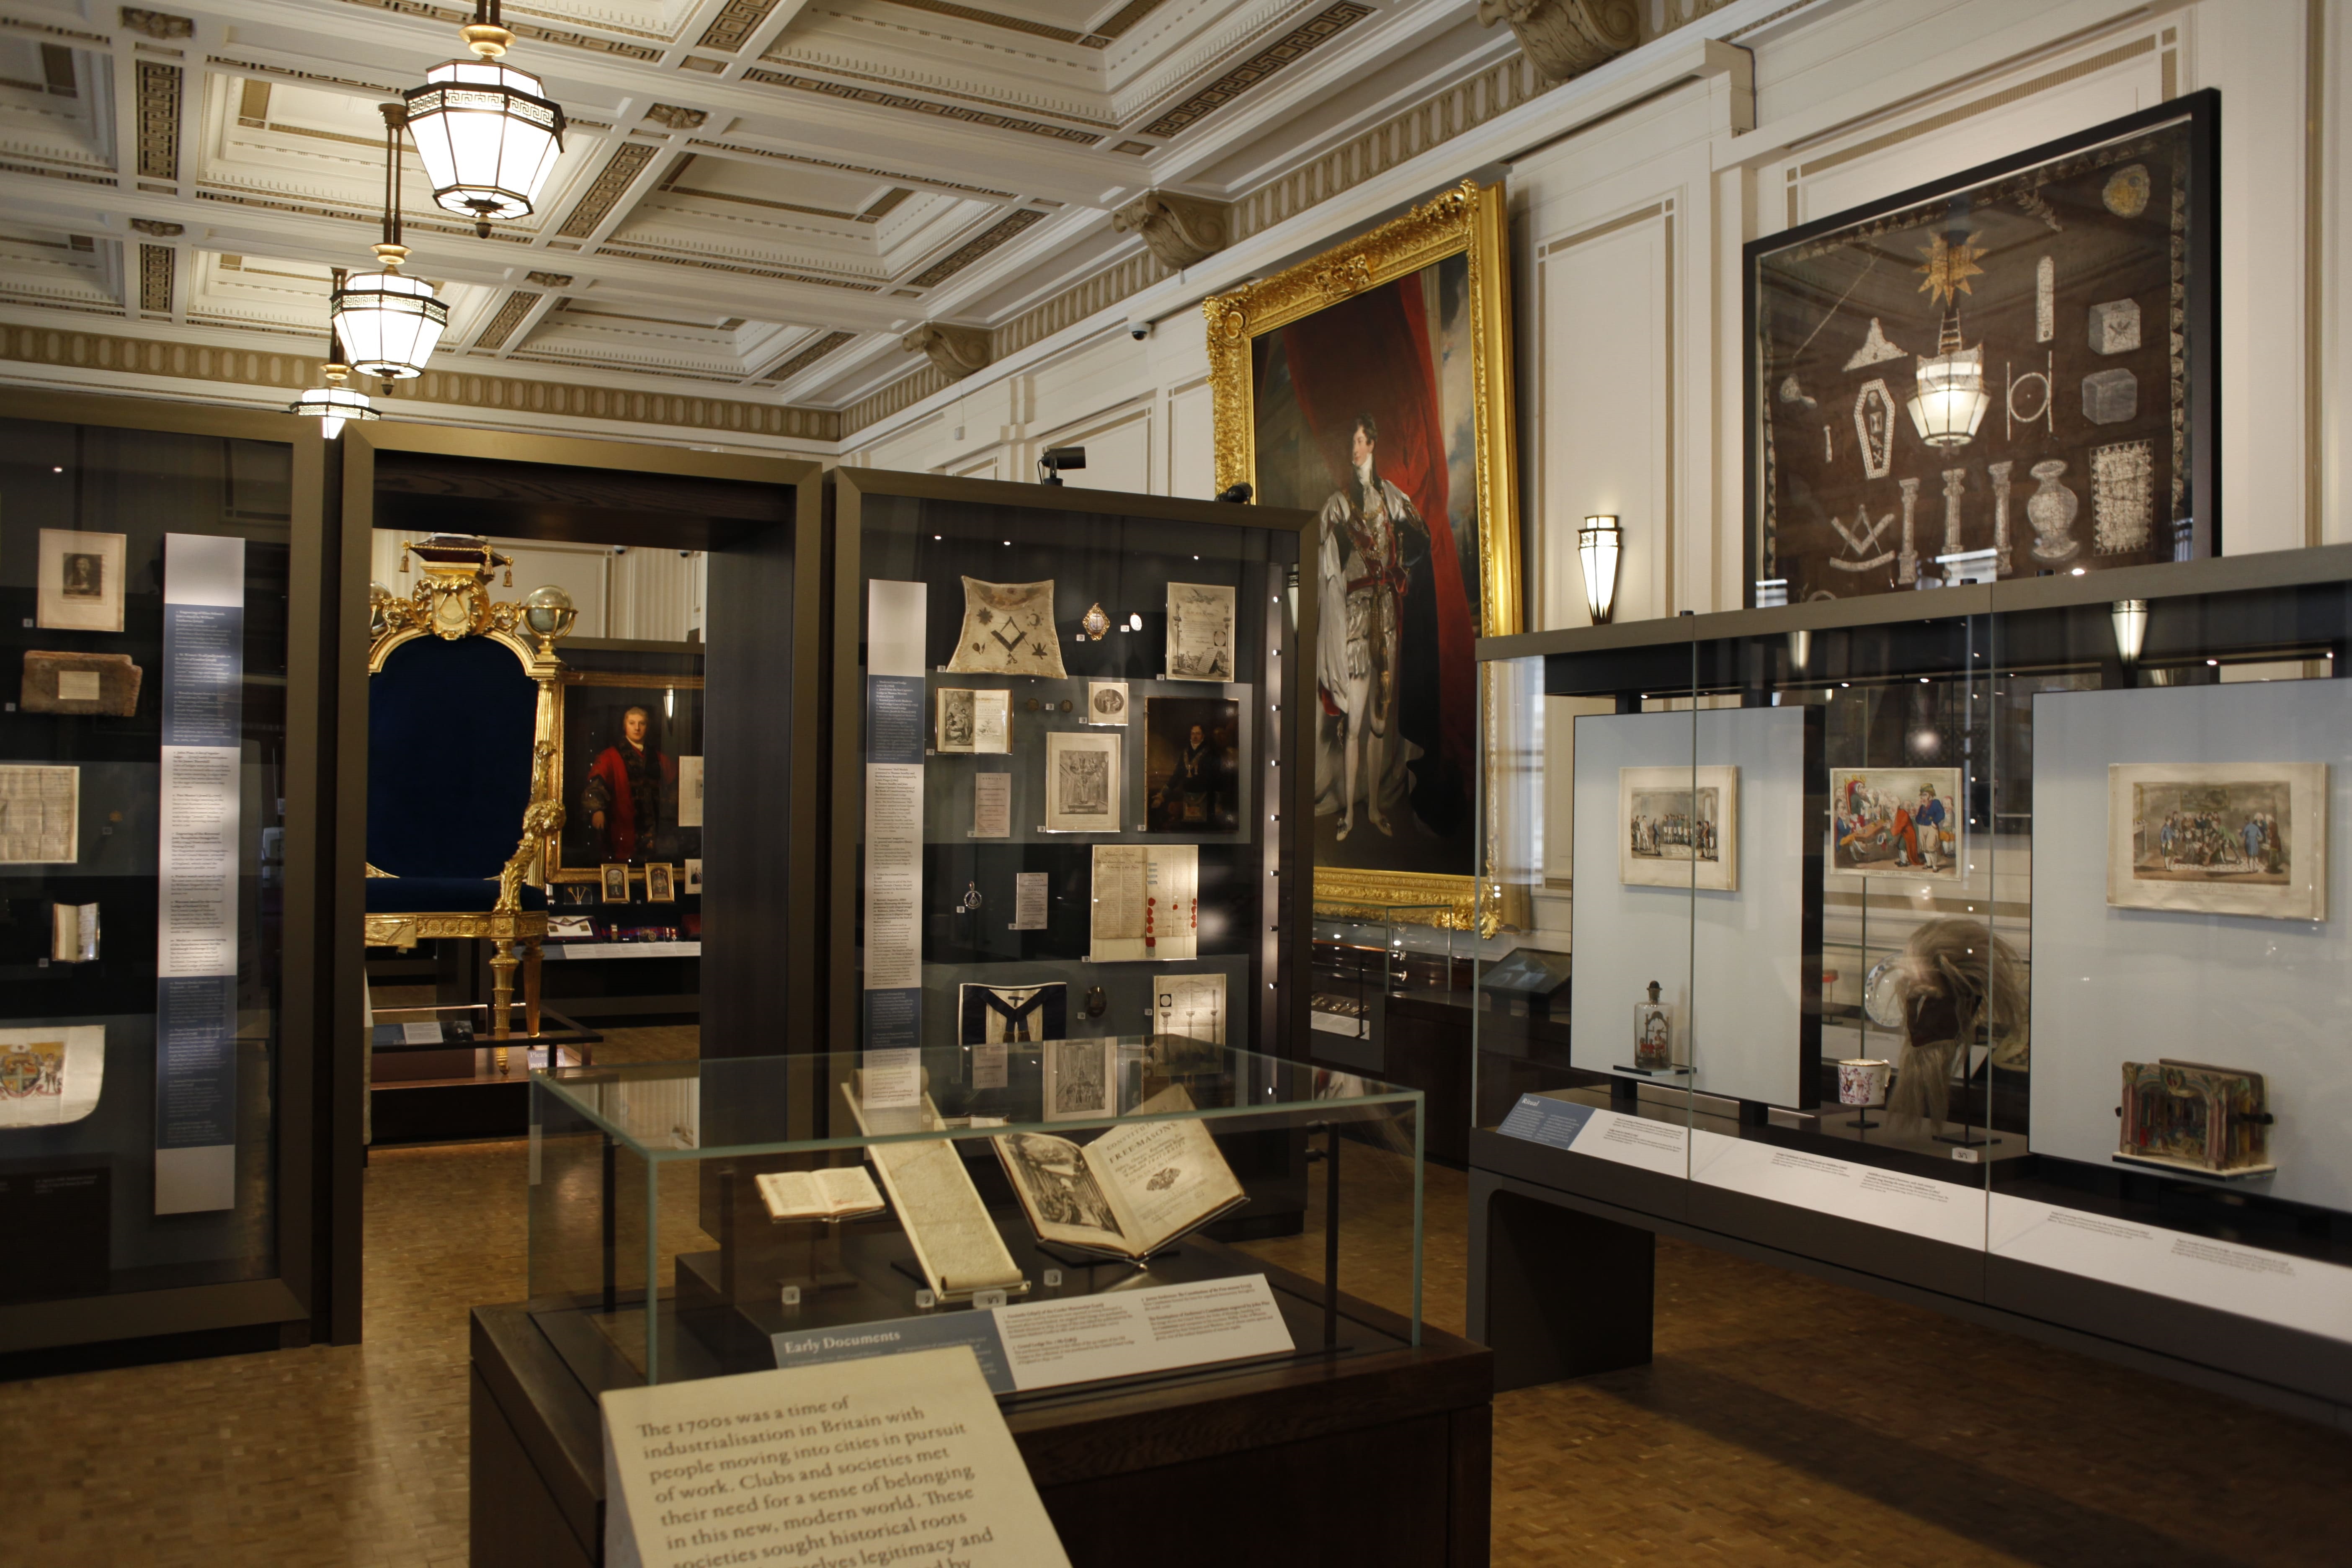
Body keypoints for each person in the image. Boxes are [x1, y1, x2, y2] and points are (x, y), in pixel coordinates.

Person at [1316, 414, 1430, 842]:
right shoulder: (1339, 504)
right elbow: (1326, 567)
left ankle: (1376, 808)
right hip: (1357, 620)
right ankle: (1348, 812)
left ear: (1374, 445)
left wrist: (1404, 570)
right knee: (1356, 721)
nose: (1357, 448)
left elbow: (1421, 536)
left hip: (1387, 618)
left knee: (1381, 723)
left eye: (1363, 440)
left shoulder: (1392, 497)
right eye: (1353, 441)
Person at [581, 705, 676, 864]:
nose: (637, 728)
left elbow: (676, 787)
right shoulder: (609, 757)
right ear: (624, 726)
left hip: (655, 832)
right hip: (623, 827)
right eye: (632, 723)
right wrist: (597, 810)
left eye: (642, 723)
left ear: (648, 726)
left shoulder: (659, 758)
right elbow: (595, 786)